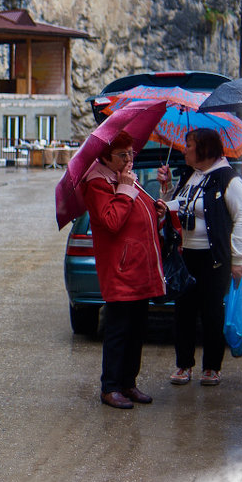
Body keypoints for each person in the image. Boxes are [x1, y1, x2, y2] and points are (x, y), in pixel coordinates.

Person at [81, 130, 169, 409]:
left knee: (137, 330)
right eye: (123, 154)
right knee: (118, 331)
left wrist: (158, 213)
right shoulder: (98, 184)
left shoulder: (125, 179)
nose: (130, 159)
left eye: (131, 153)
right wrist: (125, 191)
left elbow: (141, 218)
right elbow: (111, 222)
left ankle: (129, 383)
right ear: (106, 156)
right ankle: (111, 387)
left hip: (140, 268)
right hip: (121, 271)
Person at [157, 128, 242, 386]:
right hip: (187, 256)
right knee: (184, 312)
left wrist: (238, 258)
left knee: (212, 313)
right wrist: (166, 191)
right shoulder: (191, 176)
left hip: (214, 259)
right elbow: (177, 205)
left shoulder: (228, 179)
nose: (184, 150)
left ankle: (212, 367)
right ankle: (184, 365)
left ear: (205, 149)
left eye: (189, 145)